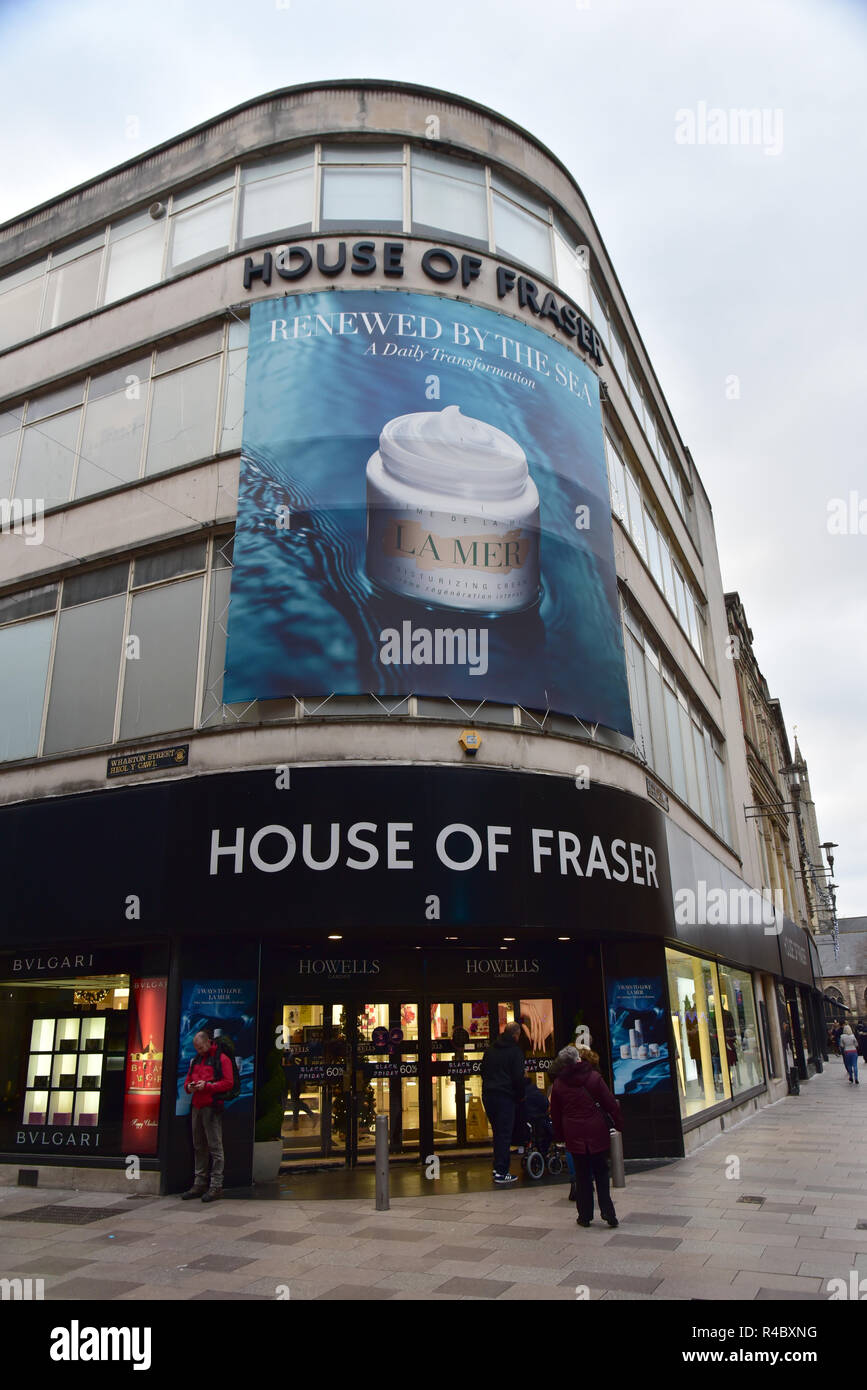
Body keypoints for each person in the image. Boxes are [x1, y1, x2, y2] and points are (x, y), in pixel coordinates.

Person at [550, 1045, 623, 1228]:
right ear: (578, 1060)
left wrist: (559, 1136)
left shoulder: (558, 1084)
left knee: (582, 1175)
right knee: (601, 1172)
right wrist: (619, 1123)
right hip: (596, 1130)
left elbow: (556, 1114)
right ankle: (608, 1211)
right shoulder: (594, 1078)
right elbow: (610, 1104)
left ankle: (584, 1216)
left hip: (573, 1132)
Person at [181, 1029, 234, 1201]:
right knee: (199, 1145)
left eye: (201, 1047)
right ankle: (199, 1183)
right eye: (196, 1048)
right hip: (197, 1105)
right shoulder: (196, 1060)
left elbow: (228, 1083)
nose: (199, 1051)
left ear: (208, 1042)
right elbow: (187, 1082)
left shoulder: (221, 1059)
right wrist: (190, 1087)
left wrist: (208, 1086)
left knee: (214, 1146)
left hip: (212, 1106)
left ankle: (216, 1185)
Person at [480, 1021, 525, 1185]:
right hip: (505, 1096)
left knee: (498, 1132)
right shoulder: (515, 1052)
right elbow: (518, 1078)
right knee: (504, 1134)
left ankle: (497, 1166)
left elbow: (483, 1071)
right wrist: (520, 1096)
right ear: (516, 1035)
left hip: (489, 1095)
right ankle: (501, 1171)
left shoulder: (491, 1049)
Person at [283, 1054, 313, 1125]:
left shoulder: (295, 1054)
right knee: (295, 1101)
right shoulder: (298, 1053)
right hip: (294, 1080)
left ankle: (296, 1122)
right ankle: (296, 1122)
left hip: (294, 1080)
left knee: (295, 1101)